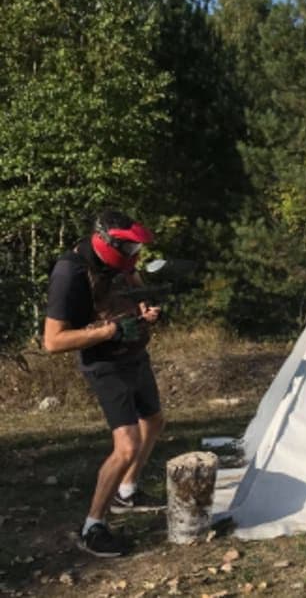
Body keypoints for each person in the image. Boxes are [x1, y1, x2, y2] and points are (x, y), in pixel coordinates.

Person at [44, 210, 166, 557]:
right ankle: (93, 526)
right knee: (126, 446)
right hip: (104, 365)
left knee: (154, 421)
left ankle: (127, 491)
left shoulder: (123, 266)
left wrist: (147, 311)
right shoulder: (70, 272)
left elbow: (137, 292)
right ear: (107, 243)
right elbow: (52, 341)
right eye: (128, 250)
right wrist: (111, 331)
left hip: (134, 356)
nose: (134, 258)